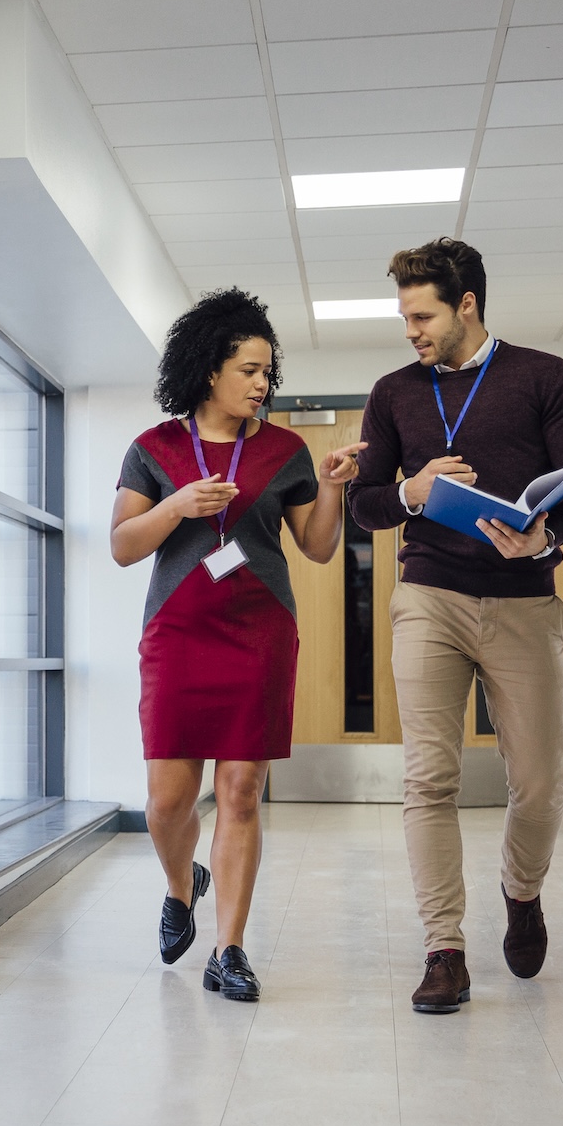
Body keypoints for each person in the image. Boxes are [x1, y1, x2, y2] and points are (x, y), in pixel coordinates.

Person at [347, 237, 563, 1015]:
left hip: (525, 599)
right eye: (404, 316)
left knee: (540, 783)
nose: (410, 330)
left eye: (421, 314)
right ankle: (444, 948)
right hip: (429, 595)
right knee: (429, 776)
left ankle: (521, 891)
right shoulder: (394, 391)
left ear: (468, 305)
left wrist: (546, 535)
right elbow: (365, 503)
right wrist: (414, 491)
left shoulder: (545, 378)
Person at [112, 289, 364, 1000]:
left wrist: (335, 489)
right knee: (167, 801)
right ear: (209, 368)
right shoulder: (154, 449)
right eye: (249, 369)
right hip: (177, 634)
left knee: (241, 791)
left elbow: (316, 549)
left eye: (267, 371)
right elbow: (123, 546)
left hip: (259, 633)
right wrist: (175, 506)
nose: (262, 383)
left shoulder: (285, 450)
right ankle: (180, 881)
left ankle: (229, 948)